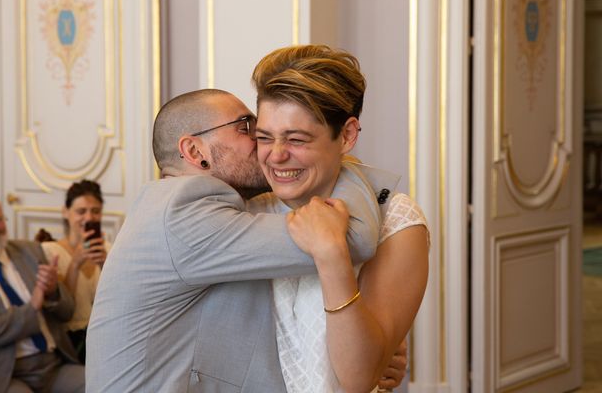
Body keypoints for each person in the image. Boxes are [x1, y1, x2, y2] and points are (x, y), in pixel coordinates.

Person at [86, 89, 394, 392]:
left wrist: (375, 351)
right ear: (195, 152)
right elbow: (353, 236)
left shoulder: (169, 209)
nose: (261, 140)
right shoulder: (183, 212)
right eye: (246, 127)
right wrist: (338, 156)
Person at [248, 44, 430, 392]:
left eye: (296, 139)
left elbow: (358, 378)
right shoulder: (245, 208)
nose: (276, 155)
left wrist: (333, 256)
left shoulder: (396, 220)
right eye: (264, 138)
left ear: (346, 135)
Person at [0, 190, 85, 393]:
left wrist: (53, 292)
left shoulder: (30, 251)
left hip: (53, 365)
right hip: (1, 375)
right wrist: (31, 310)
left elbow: (67, 313)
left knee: (108, 384)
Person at [40, 180, 108, 363]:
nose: (89, 218)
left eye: (95, 211)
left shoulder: (109, 250)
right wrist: (75, 263)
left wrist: (105, 265)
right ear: (65, 212)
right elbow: (60, 309)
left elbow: (120, 298)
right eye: (81, 211)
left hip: (104, 334)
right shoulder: (49, 251)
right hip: (70, 340)